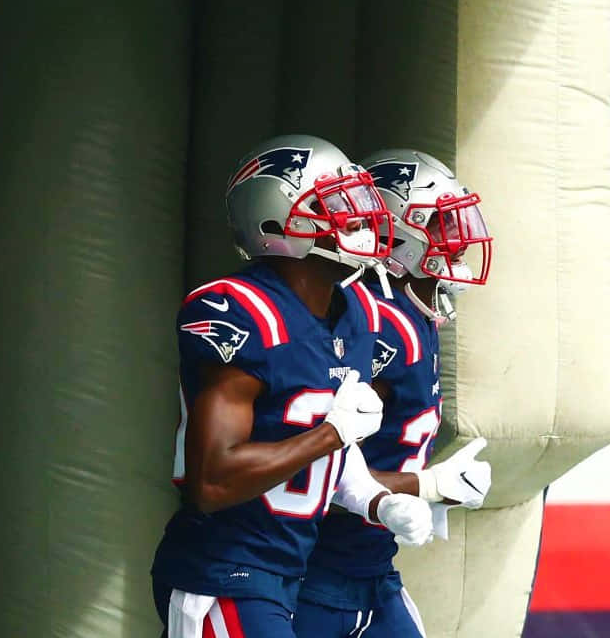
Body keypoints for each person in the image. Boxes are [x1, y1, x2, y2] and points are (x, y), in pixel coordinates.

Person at [151, 135, 434, 638]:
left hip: (289, 572)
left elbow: (331, 455)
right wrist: (329, 434)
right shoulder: (238, 308)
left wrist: (376, 500)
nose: (359, 219)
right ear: (277, 220)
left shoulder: (357, 314)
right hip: (222, 572)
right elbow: (213, 482)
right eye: (337, 206)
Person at [292, 149, 496, 638]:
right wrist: (427, 486)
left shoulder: (415, 317)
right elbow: (315, 468)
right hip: (315, 574)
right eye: (444, 226)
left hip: (371, 570)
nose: (460, 241)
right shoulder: (374, 322)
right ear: (399, 235)